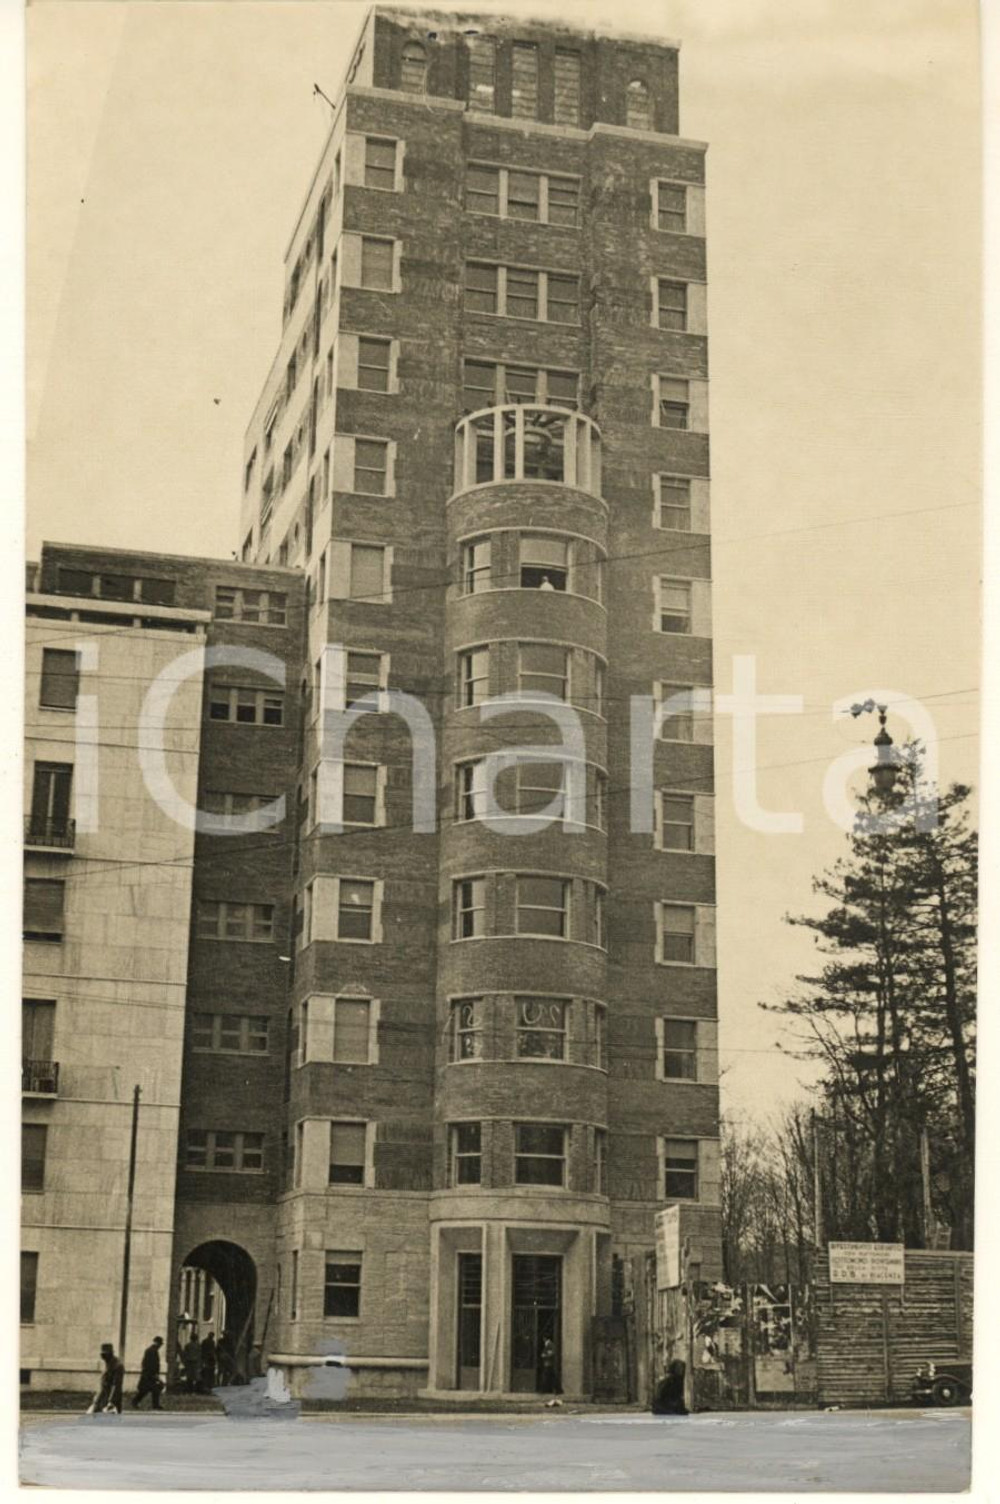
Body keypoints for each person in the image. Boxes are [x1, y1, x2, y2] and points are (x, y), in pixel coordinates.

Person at [88, 1343, 125, 1415]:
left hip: (111, 1399)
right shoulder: (108, 1363)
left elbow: (116, 1385)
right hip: (103, 1397)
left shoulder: (117, 1366)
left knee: (109, 1421)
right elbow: (103, 1383)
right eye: (102, 1355)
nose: (103, 1357)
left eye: (104, 1355)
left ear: (110, 1354)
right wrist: (96, 1399)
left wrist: (111, 1402)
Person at [132, 1335, 165, 1410]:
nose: (160, 1346)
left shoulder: (152, 1350)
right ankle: (136, 1401)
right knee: (146, 1390)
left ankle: (155, 1405)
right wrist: (154, 1374)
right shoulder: (151, 1351)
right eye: (160, 1344)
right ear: (157, 1343)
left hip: (149, 1374)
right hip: (149, 1375)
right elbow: (149, 1364)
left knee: (154, 1390)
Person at [182, 1331, 202, 1395]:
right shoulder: (198, 1346)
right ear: (196, 1339)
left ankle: (189, 1390)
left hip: (189, 1362)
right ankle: (195, 1390)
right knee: (196, 1377)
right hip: (195, 1363)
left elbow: (184, 1354)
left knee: (189, 1377)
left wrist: (185, 1362)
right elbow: (200, 1355)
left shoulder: (187, 1345)